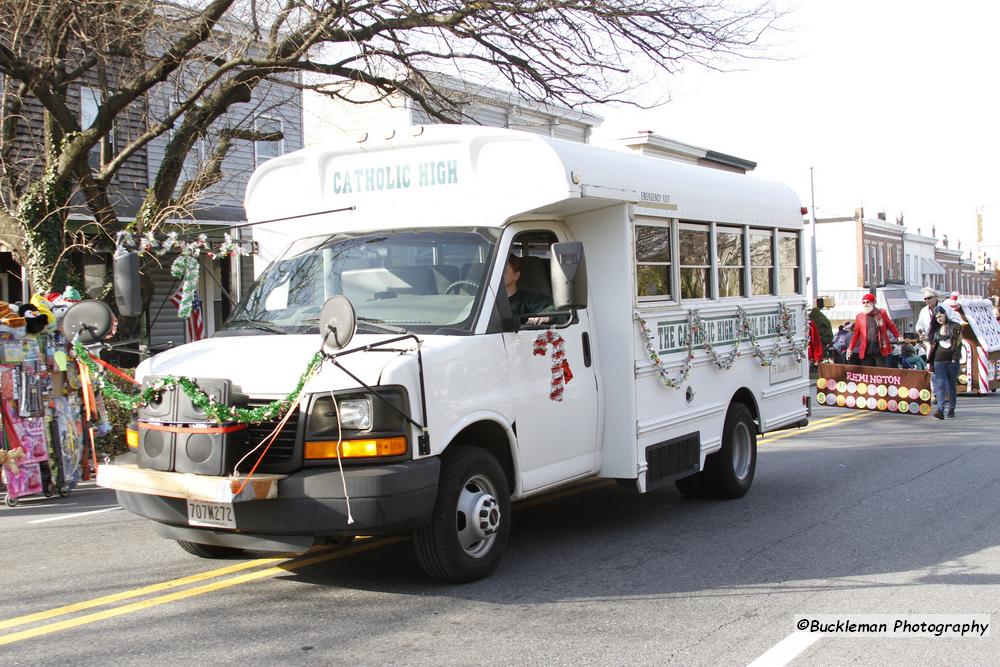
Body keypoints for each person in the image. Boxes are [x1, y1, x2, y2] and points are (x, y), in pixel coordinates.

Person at [927, 305, 962, 419]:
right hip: (939, 361)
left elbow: (958, 343)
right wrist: (931, 363)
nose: (939, 318)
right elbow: (933, 346)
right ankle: (940, 410)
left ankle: (951, 409)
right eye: (937, 317)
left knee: (951, 385)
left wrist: (955, 358)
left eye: (941, 315)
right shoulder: (935, 330)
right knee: (940, 386)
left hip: (952, 361)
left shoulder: (955, 326)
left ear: (945, 314)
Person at [846, 293, 900, 367]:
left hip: (880, 348)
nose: (865, 304)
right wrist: (850, 349)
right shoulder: (860, 316)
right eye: (864, 302)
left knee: (881, 373)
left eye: (868, 302)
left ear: (873, 303)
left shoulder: (882, 313)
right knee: (868, 374)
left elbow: (891, 325)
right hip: (866, 350)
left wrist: (898, 336)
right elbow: (856, 334)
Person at [504, 254, 553, 325]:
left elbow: (555, 311)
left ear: (516, 275)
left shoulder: (529, 299)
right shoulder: (485, 300)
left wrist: (546, 316)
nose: (497, 273)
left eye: (504, 270)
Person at [916, 287, 962, 352]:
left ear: (935, 297)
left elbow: (956, 321)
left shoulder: (945, 307)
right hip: (928, 345)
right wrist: (921, 333)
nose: (927, 300)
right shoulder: (923, 311)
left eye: (929, 298)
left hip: (945, 344)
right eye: (925, 299)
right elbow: (919, 326)